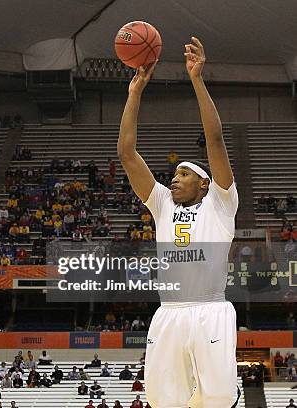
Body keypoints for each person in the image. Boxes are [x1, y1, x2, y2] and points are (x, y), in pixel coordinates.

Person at [117, 36, 239, 408]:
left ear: (204, 182)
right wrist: (135, 91)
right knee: (159, 399)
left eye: (184, 173)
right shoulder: (162, 203)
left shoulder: (220, 202)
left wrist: (197, 79)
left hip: (210, 310)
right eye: (173, 174)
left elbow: (215, 140)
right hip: (169, 312)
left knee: (217, 398)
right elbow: (126, 152)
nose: (174, 177)